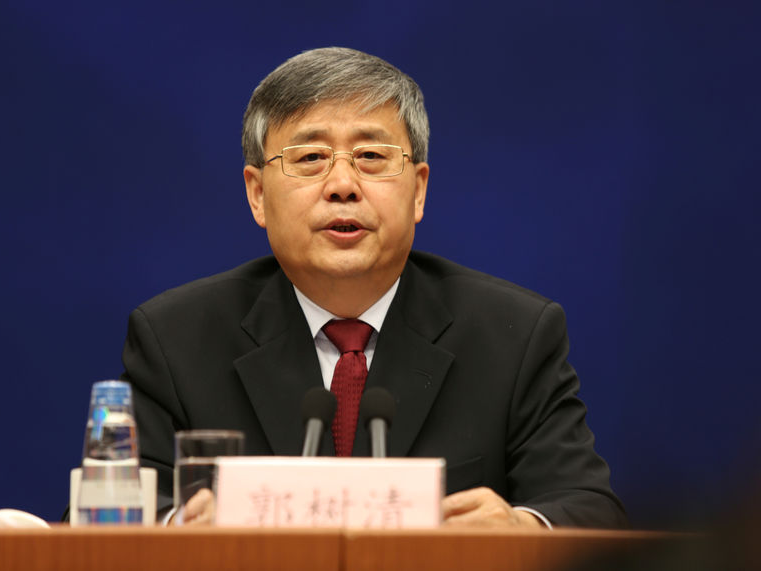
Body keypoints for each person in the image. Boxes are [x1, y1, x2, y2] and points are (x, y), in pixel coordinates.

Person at [122, 47, 628, 529]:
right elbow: (103, 514)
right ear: (257, 194)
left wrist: (521, 527)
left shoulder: (513, 336)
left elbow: (589, 509)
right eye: (310, 157)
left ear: (418, 190)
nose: (343, 183)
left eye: (370, 155)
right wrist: (180, 529)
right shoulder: (176, 340)